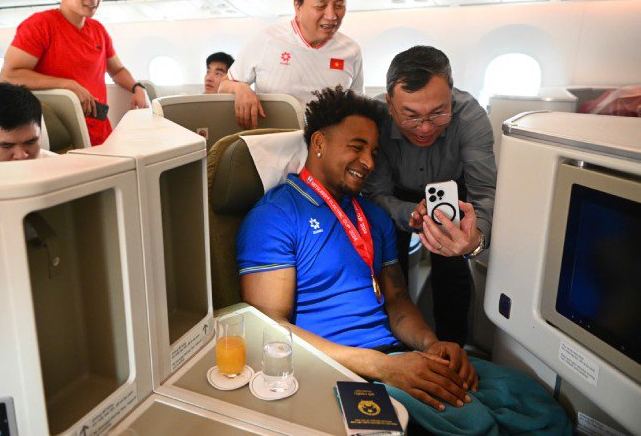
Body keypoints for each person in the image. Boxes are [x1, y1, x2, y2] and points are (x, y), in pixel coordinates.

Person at [237, 87, 570, 436]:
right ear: (319, 142)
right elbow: (269, 328)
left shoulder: (374, 217)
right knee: (474, 424)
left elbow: (397, 301)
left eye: (373, 151)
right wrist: (382, 367)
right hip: (338, 370)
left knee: (533, 403)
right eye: (356, 147)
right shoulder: (276, 216)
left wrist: (431, 345)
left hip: (396, 357)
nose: (368, 162)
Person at [363, 46, 497, 347]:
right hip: (393, 194)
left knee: (453, 270)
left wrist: (475, 239)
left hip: (452, 189)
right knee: (389, 266)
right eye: (410, 116)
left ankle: (455, 348)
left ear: (451, 93)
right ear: (390, 104)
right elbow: (376, 193)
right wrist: (409, 212)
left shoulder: (470, 116)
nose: (424, 128)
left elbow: (484, 192)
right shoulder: (374, 118)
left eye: (438, 113)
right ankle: (394, 348)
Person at [0, 0, 147, 146]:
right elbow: (9, 76)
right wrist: (67, 85)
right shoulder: (39, 26)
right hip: (61, 139)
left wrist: (137, 88)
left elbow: (117, 70)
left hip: (102, 136)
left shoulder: (98, 30)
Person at [220, 0, 363, 129]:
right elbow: (223, 86)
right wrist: (240, 89)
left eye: (339, 6)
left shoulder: (351, 51)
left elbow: (358, 108)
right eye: (321, 6)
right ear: (297, 5)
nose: (332, 16)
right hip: (274, 142)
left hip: (327, 144)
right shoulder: (267, 40)